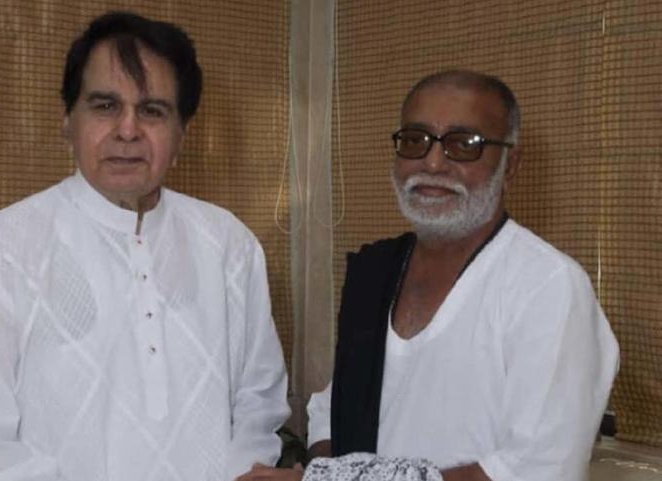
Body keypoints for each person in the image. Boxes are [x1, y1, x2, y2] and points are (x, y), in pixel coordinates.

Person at [0, 11, 290, 481]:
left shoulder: (230, 247)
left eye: (153, 111)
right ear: (68, 120)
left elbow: (259, 406)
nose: (127, 130)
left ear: (182, 134)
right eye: (105, 106)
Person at [238, 70, 619, 481]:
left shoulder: (547, 286)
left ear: (510, 165)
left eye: (464, 144)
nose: (433, 162)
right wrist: (327, 470)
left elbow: (536, 469)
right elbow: (334, 414)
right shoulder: (377, 272)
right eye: (415, 140)